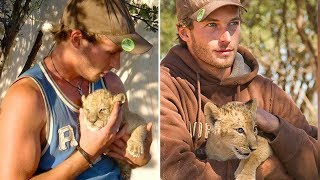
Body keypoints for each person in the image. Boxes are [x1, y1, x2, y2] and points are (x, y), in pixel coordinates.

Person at [160, 0, 319, 179]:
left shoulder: (267, 92)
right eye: (212, 24)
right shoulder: (166, 86)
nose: (226, 37)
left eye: (233, 23)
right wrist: (266, 168)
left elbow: (315, 162)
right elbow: (174, 170)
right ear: (184, 33)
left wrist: (276, 126)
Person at [0, 0, 153, 179]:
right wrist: (87, 154)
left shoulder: (110, 84)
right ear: (77, 39)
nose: (117, 65)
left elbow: (131, 156)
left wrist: (140, 157)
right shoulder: (28, 98)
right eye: (111, 52)